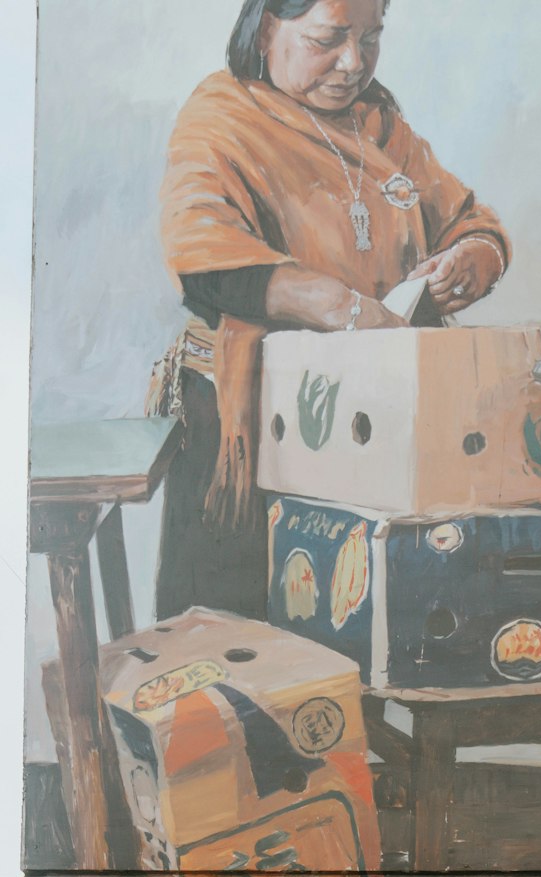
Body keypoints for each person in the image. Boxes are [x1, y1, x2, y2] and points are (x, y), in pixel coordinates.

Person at [150, 0, 512, 621]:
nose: (353, 62)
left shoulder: (380, 125)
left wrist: (473, 259)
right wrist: (339, 307)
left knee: (362, 623)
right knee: (234, 637)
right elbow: (202, 254)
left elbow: (469, 219)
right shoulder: (222, 114)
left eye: (371, 38)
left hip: (380, 415)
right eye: (328, 38)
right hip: (250, 421)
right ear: (267, 27)